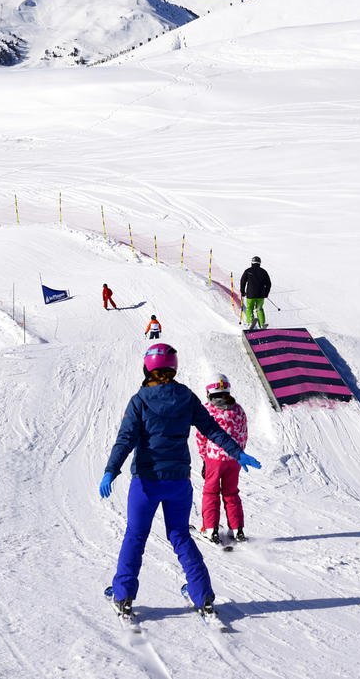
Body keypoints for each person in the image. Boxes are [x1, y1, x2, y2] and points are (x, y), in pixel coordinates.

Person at [101, 344, 262, 617]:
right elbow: (212, 429)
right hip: (178, 483)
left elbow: (125, 439)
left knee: (136, 535)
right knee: (179, 534)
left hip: (146, 482)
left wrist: (111, 470)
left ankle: (123, 594)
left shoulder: (139, 400)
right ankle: (201, 594)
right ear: (173, 367)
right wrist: (237, 453)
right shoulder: (185, 397)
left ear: (147, 368)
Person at [195, 374, 249, 544]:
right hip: (234, 460)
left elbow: (200, 437)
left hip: (214, 459)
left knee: (211, 492)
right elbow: (244, 433)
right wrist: (239, 454)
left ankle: (211, 530)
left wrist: (204, 458)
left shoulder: (208, 410)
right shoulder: (238, 410)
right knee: (231, 492)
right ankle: (237, 529)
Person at [239, 256, 272, 330]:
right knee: (259, 309)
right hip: (261, 295)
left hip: (250, 294)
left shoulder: (248, 271)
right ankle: (262, 324)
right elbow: (269, 283)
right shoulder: (263, 271)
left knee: (249, 308)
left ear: (252, 262)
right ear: (259, 263)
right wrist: (266, 293)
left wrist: (242, 291)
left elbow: (243, 281)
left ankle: (250, 321)